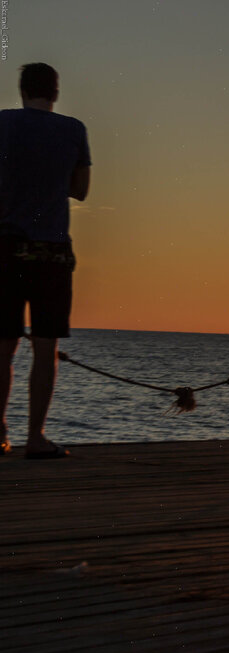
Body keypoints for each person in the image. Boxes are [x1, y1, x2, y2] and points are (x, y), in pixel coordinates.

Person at [0, 63, 90, 459]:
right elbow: (81, 190)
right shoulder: (73, 130)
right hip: (51, 251)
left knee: (2, 348)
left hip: (4, 249)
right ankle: (35, 436)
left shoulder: (2, 124)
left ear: (21, 90)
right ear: (55, 92)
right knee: (44, 348)